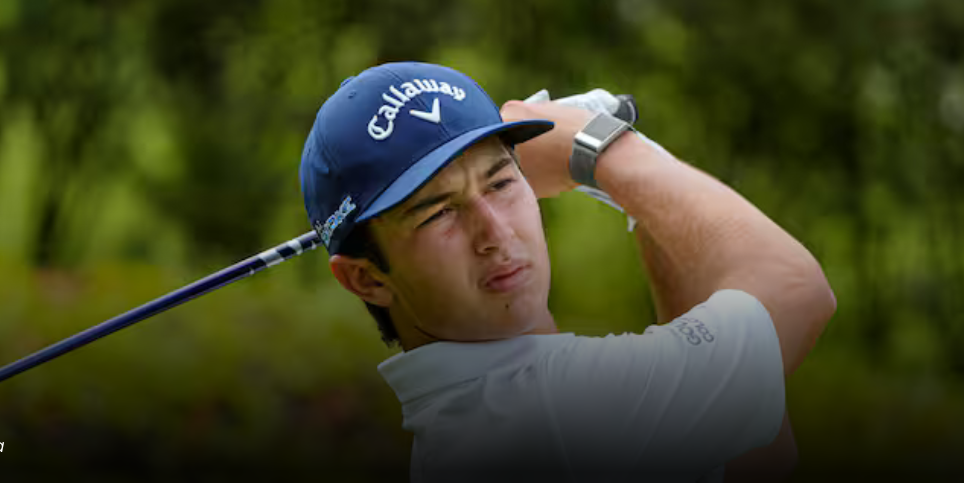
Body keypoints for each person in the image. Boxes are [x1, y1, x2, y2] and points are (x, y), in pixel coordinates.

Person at [298, 62, 835, 481]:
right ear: (367, 279)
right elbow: (796, 290)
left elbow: (755, 456)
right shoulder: (547, 413)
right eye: (439, 212)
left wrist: (626, 180)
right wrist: (599, 147)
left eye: (501, 183)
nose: (495, 233)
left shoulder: (472, 416)